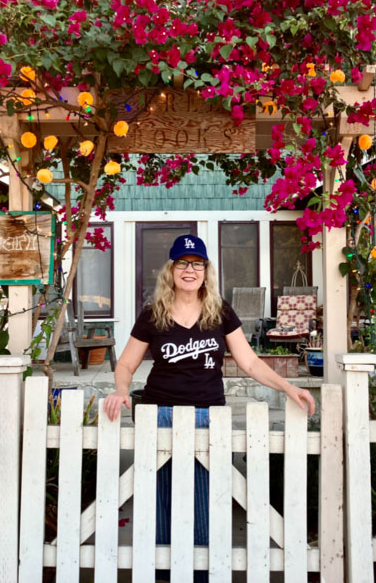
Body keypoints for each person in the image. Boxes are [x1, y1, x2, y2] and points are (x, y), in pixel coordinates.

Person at [103, 234, 315, 581]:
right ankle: (162, 574)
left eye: (197, 264)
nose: (190, 270)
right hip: (160, 415)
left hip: (207, 417)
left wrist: (289, 386)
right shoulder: (152, 314)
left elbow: (249, 362)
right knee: (160, 503)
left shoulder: (220, 312)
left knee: (204, 504)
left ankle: (200, 576)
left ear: (206, 270)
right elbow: (125, 364)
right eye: (182, 263)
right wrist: (121, 390)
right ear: (170, 270)